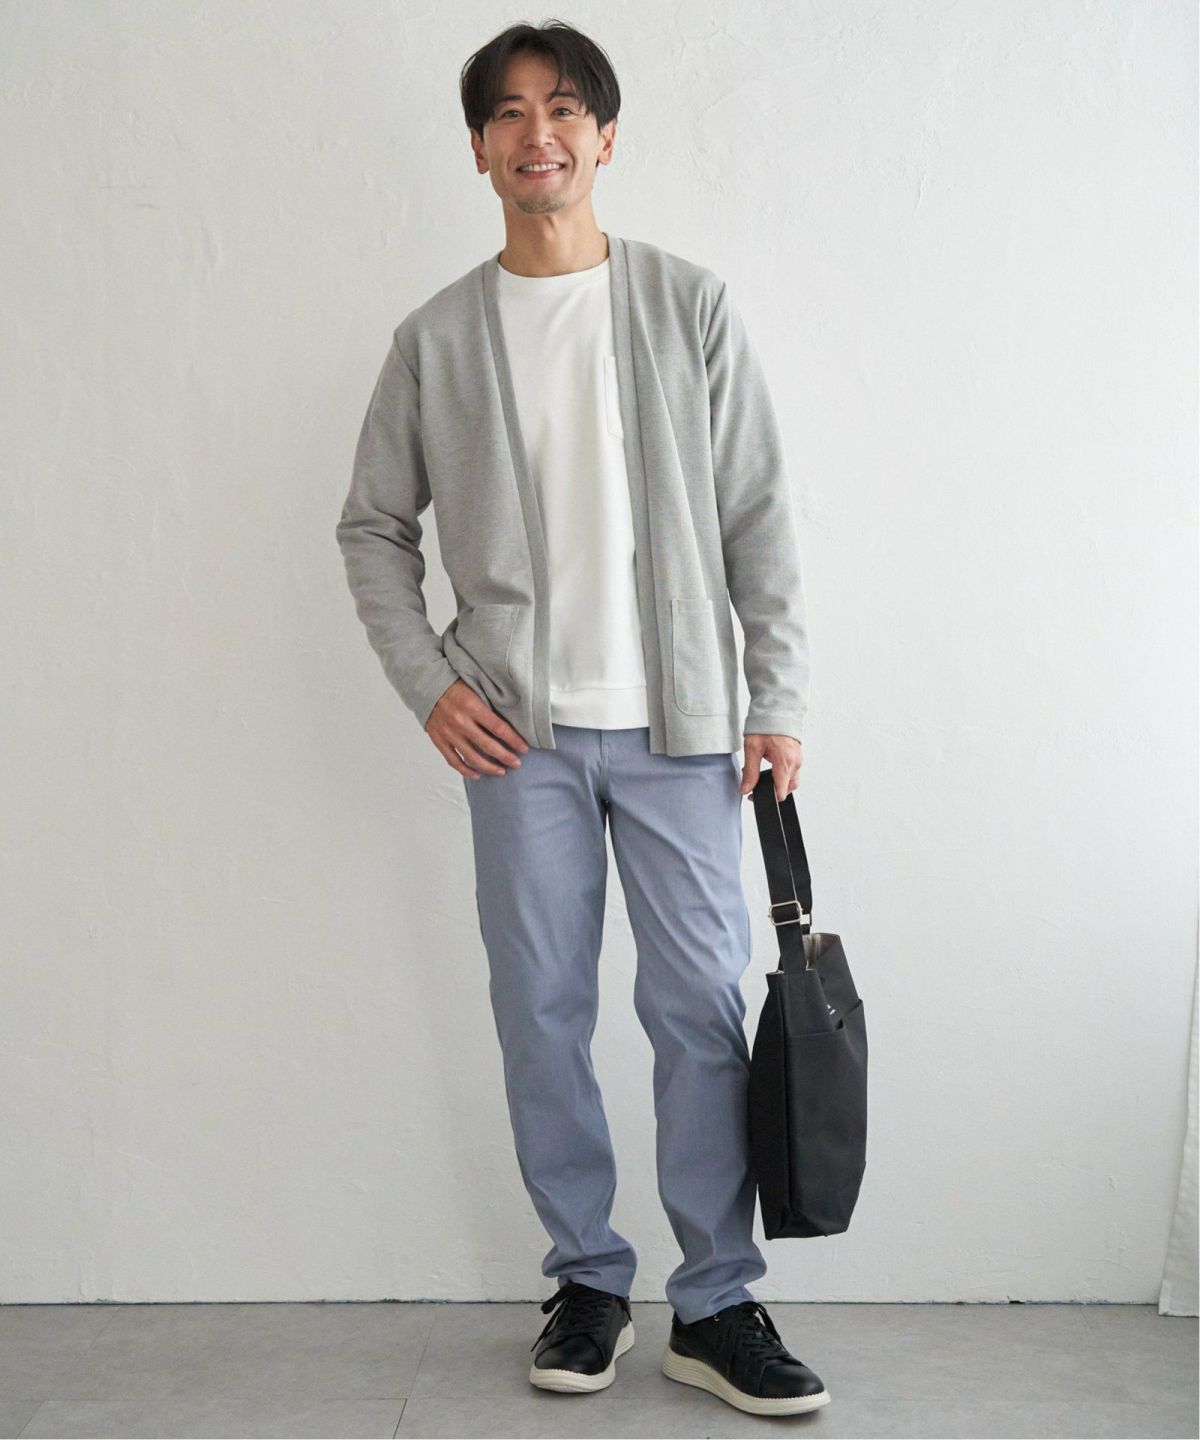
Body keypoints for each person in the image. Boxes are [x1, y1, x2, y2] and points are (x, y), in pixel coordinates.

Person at [335, 18, 828, 1419]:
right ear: (479, 148)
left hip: (685, 734)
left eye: (562, 108)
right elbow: (372, 528)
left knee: (700, 1014)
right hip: (519, 741)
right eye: (507, 112)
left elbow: (758, 515)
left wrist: (777, 694)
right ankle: (589, 1278)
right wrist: (432, 684)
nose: (535, 132)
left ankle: (715, 1302)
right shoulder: (437, 338)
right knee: (542, 1013)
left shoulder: (687, 304)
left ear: (605, 137)